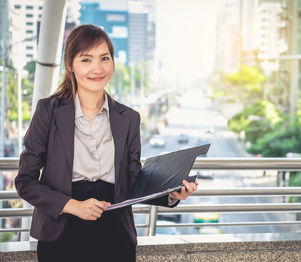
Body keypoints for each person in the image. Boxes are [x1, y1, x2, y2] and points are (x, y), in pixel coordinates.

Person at [15, 24, 198, 262]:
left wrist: (172, 193)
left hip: (115, 234)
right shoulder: (48, 111)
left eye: (104, 58)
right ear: (70, 65)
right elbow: (25, 181)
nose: (97, 68)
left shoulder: (129, 118)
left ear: (112, 62)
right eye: (86, 60)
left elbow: (134, 180)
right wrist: (72, 205)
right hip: (61, 232)